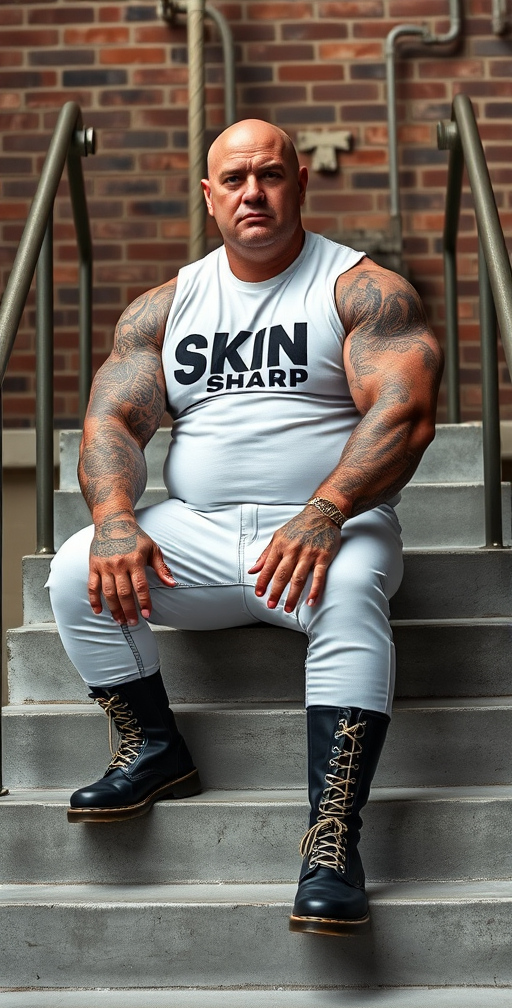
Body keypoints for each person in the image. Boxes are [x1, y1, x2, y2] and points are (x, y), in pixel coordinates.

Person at [47, 119, 442, 936]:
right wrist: (118, 520)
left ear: (300, 181)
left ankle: (331, 839)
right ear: (209, 196)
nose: (251, 193)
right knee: (74, 567)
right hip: (195, 529)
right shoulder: (167, 306)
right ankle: (153, 748)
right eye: (233, 180)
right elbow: (111, 421)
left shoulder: (362, 290)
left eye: (268, 175)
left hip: (328, 531)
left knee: (350, 592)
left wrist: (327, 510)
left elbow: (404, 414)